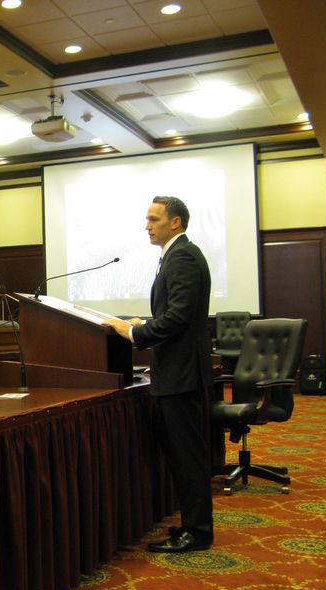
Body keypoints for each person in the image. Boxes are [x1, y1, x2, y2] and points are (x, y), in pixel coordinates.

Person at [101, 196, 213, 554]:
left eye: (153, 218)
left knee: (188, 457)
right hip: (177, 372)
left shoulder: (182, 257)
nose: (147, 225)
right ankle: (194, 527)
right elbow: (176, 313)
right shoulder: (178, 255)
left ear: (175, 222)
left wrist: (134, 333)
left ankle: (197, 533)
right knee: (183, 455)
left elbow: (179, 316)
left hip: (181, 375)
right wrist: (145, 323)